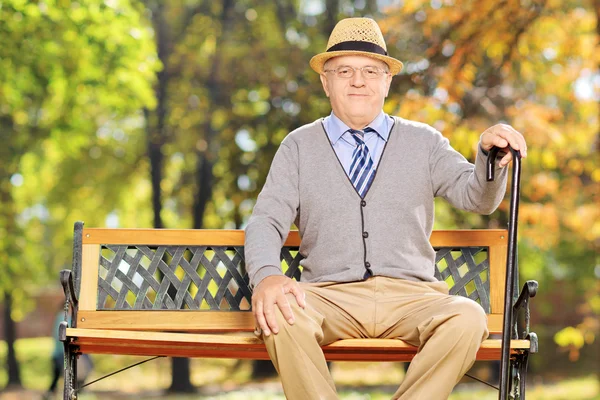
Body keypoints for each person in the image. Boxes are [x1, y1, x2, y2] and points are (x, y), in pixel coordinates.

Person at [244, 17, 527, 400]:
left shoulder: (423, 141)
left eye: (370, 71)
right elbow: (266, 219)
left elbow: (476, 197)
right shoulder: (298, 146)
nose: (358, 81)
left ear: (387, 81)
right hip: (328, 295)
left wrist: (489, 157)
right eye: (344, 70)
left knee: (467, 316)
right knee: (280, 315)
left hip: (413, 296)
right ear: (325, 81)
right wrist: (266, 276)